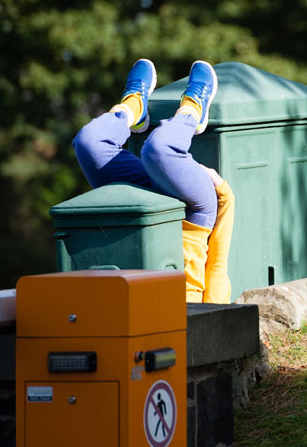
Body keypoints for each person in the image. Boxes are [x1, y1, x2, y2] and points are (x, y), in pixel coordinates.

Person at [72, 58, 235, 303]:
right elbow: (218, 268)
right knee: (159, 150)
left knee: (89, 144)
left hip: (139, 208)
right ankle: (192, 111)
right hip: (191, 214)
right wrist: (224, 192)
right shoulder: (202, 316)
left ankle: (132, 108)